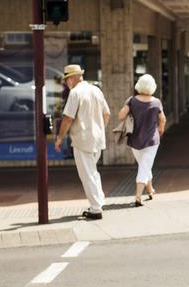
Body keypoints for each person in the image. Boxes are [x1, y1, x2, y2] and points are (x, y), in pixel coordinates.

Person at [55, 64, 110, 220]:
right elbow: (107, 114)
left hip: (82, 139)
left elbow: (67, 118)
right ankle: (99, 200)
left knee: (87, 175)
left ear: (72, 78)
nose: (66, 83)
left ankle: (95, 208)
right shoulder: (96, 90)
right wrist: (99, 129)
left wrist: (59, 138)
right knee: (92, 171)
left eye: (66, 80)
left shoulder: (75, 93)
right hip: (97, 139)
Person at [117, 74, 166, 207]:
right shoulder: (156, 102)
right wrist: (160, 130)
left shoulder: (131, 100)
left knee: (144, 165)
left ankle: (150, 190)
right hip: (151, 140)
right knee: (145, 166)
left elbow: (121, 116)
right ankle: (138, 197)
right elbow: (163, 119)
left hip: (135, 140)